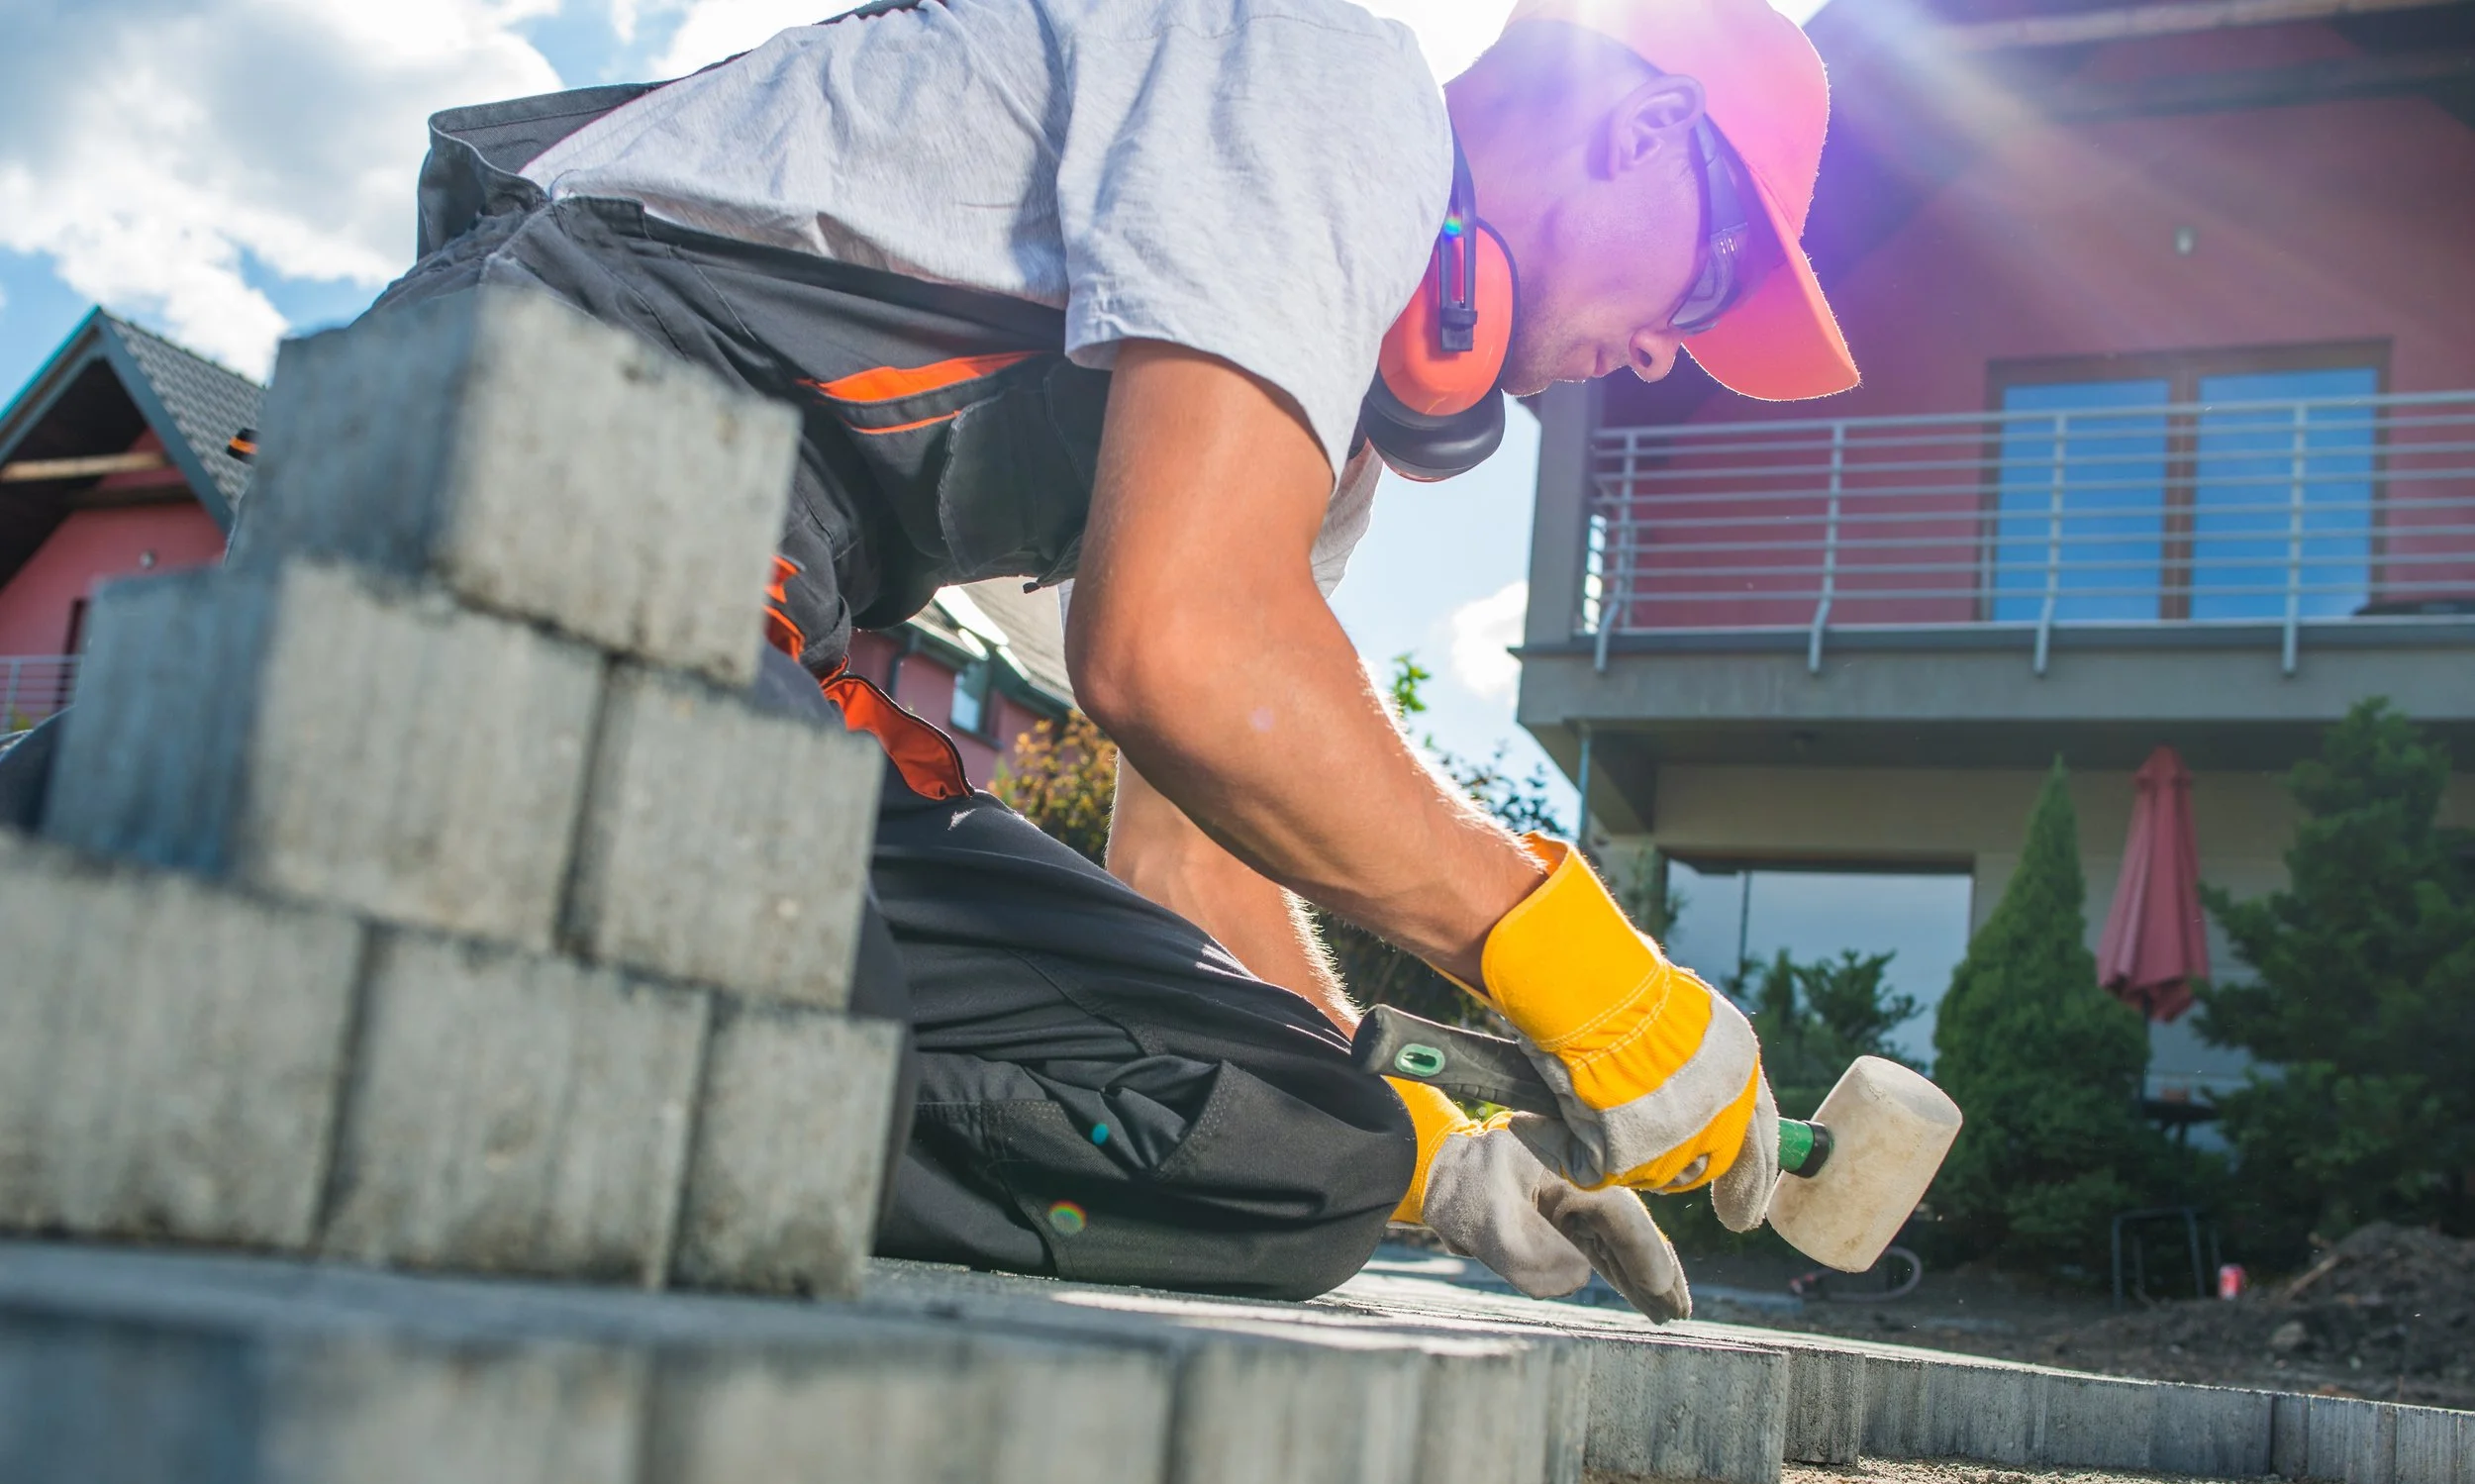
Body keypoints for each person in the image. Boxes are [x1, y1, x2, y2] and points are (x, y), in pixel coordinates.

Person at [361, 0, 1862, 1310]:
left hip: (730, 634)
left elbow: (1196, 857)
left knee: (1300, 1143)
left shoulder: (1305, 436)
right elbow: (1178, 648)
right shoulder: (1328, 81)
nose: (1674, 349)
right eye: (1717, 285)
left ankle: (552, 1001)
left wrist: (1437, 1149)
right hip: (549, 424)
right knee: (781, 1031)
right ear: (1647, 128)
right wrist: (1605, 991)